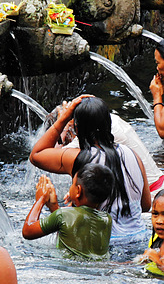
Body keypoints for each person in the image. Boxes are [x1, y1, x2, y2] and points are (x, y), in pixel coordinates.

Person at [30, 95, 151, 240]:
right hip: (139, 237)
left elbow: (36, 155)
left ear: (77, 128)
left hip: (103, 244)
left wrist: (63, 119)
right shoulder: (132, 154)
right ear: (108, 123)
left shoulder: (77, 157)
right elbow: (145, 205)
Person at [21, 164, 113, 258]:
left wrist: (40, 200)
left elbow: (28, 231)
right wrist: (54, 206)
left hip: (68, 270)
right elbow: (68, 231)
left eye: (73, 184)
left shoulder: (63, 215)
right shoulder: (107, 220)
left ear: (78, 191)